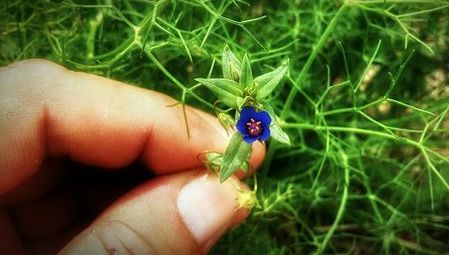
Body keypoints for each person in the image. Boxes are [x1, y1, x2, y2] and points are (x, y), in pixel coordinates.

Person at [0, 59, 265, 254]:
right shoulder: (245, 126)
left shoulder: (253, 123)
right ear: (246, 124)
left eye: (256, 127)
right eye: (251, 126)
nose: (254, 127)